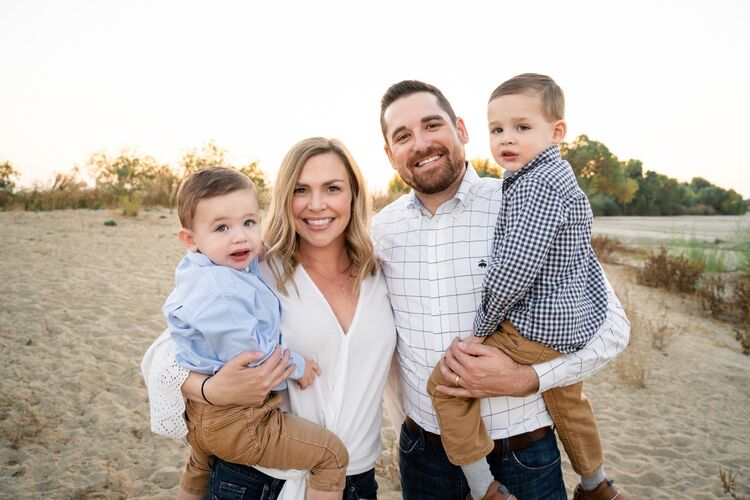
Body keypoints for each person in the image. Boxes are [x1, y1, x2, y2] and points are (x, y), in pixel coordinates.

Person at [372, 79, 631, 500]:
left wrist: (529, 378)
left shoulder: (522, 202)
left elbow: (615, 330)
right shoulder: (381, 231)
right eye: (403, 136)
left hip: (522, 455)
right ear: (389, 154)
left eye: (432, 125)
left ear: (461, 129)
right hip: (422, 456)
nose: (420, 143)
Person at [142, 138, 397, 500]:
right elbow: (161, 358)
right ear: (284, 198)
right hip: (254, 480)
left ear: (354, 194)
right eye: (301, 190)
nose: (316, 204)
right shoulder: (253, 270)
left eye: (333, 188)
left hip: (357, 480)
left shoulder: (382, 274)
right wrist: (211, 390)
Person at [162, 167, 349, 500]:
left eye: (249, 223)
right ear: (190, 240)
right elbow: (251, 356)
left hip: (200, 416)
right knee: (332, 456)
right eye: (222, 227)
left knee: (198, 468)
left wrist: (255, 252)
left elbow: (238, 255)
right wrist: (297, 365)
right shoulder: (219, 294)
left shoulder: (205, 266)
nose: (240, 237)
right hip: (237, 418)